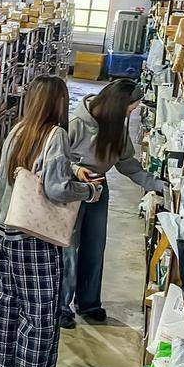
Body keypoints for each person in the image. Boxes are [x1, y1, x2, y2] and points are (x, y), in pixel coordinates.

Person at [0, 75, 102, 367]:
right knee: (40, 319)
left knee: (8, 306)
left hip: (5, 232)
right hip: (34, 240)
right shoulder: (56, 134)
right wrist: (88, 192)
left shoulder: (19, 131)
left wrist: (73, 168)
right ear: (59, 103)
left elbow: (35, 169)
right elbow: (56, 189)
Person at [61, 78, 165, 328]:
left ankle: (88, 304)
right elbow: (57, 159)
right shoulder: (76, 123)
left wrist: (159, 185)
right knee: (68, 250)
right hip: (74, 189)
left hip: (99, 188)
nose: (131, 114)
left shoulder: (116, 127)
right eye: (130, 109)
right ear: (117, 106)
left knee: (94, 246)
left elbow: (127, 163)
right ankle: (61, 307)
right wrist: (77, 170)